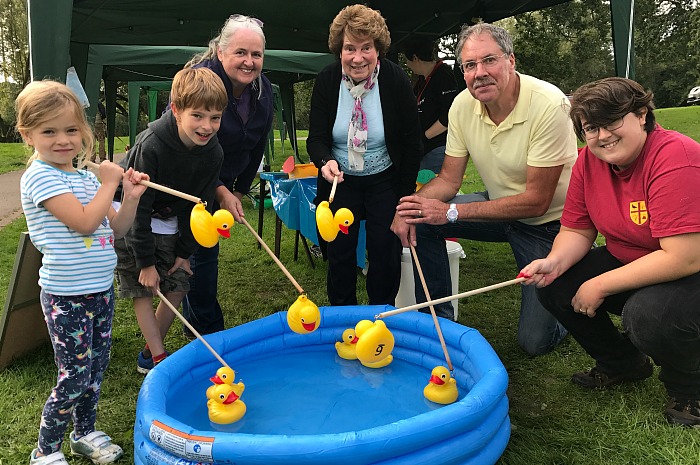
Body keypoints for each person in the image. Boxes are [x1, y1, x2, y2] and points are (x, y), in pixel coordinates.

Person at [520, 77, 700, 427]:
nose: (602, 136)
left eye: (612, 121)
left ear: (642, 114)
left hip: (690, 267)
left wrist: (600, 285)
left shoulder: (675, 157)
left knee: (648, 316)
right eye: (591, 127)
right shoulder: (587, 162)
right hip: (636, 257)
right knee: (557, 284)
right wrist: (554, 262)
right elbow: (576, 228)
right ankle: (623, 364)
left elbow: (684, 256)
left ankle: (689, 388)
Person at [394, 22, 578, 356]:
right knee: (423, 219)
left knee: (533, 343)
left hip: (549, 226)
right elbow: (449, 180)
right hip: (499, 208)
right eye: (469, 65)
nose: (480, 73)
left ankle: (570, 286)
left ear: (511, 60)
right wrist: (410, 207)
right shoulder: (462, 106)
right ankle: (439, 323)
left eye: (489, 60)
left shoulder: (548, 104)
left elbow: (537, 202)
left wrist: (450, 211)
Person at [16, 80, 148, 464]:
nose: (64, 140)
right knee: (73, 376)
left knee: (95, 370)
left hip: (99, 291)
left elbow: (116, 228)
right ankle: (45, 450)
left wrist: (131, 197)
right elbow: (87, 223)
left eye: (71, 130)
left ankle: (84, 433)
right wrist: (111, 182)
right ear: (28, 135)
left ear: (84, 132)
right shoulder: (40, 177)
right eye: (49, 131)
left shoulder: (86, 179)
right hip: (65, 296)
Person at [307, 4, 422, 306]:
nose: (357, 58)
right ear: (339, 50)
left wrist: (406, 199)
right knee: (339, 250)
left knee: (385, 250)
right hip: (340, 181)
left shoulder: (396, 80)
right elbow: (317, 138)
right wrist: (324, 162)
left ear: (378, 49)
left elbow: (412, 144)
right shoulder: (327, 80)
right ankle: (342, 317)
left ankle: (380, 316)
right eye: (349, 49)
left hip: (384, 180)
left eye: (365, 48)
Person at [115, 67, 227, 373]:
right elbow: (137, 207)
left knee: (178, 283)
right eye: (198, 116)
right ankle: (160, 356)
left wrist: (183, 253)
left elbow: (200, 206)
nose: (207, 126)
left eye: (215, 117)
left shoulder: (213, 152)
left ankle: (150, 352)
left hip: (169, 219)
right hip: (132, 214)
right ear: (176, 110)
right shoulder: (151, 144)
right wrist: (146, 263)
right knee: (144, 286)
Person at [180, 14, 274, 336]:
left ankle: (194, 322)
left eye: (256, 55)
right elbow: (189, 146)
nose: (249, 62)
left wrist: (238, 189)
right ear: (221, 52)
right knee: (201, 256)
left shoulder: (264, 90)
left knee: (202, 255)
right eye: (241, 53)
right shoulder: (200, 81)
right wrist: (220, 190)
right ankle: (208, 335)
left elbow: (257, 143)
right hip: (189, 178)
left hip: (224, 182)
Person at [401, 36, 458, 174]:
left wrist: (424, 136)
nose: (407, 65)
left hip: (437, 148)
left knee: (430, 189)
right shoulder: (422, 80)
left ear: (415, 58)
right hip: (424, 148)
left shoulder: (443, 75)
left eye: (407, 60)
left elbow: (448, 115)